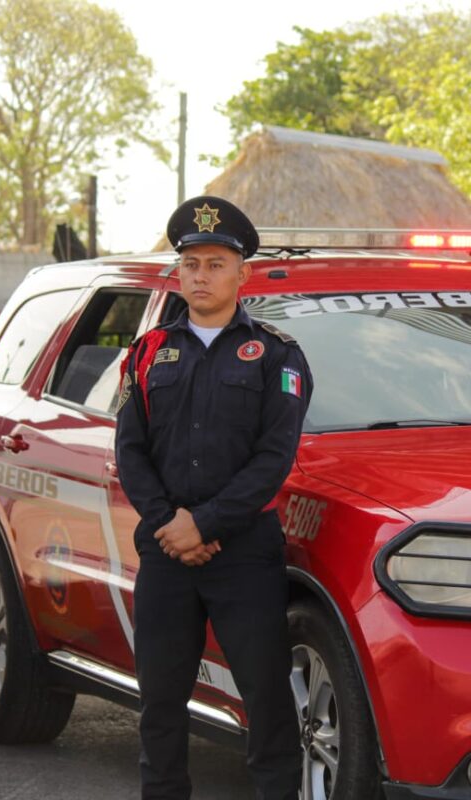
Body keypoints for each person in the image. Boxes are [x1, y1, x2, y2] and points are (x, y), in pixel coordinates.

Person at [115, 195, 312, 800]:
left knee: (267, 700)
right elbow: (130, 451)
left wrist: (204, 524)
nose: (201, 276)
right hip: (166, 552)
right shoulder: (148, 352)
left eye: (215, 264)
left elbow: (274, 459)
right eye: (191, 264)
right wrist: (171, 525)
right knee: (160, 703)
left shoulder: (277, 354)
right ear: (179, 272)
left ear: (242, 274)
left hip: (244, 554)